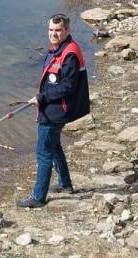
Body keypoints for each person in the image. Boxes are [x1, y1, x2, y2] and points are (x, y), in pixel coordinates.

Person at [16, 13, 90, 209]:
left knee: (43, 153)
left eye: (58, 30)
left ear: (67, 30)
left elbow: (68, 86)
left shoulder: (70, 53)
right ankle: (65, 184)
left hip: (57, 110)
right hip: (53, 107)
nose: (53, 34)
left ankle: (38, 198)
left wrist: (42, 98)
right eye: (51, 30)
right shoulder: (61, 48)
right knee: (54, 146)